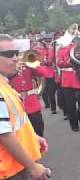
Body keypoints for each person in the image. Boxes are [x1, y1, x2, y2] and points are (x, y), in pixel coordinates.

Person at [0, 34, 50, 180]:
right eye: (9, 54)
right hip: (9, 170)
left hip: (16, 165)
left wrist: (32, 137)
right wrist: (32, 166)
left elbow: (14, 123)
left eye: (17, 53)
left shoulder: (4, 83)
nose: (16, 58)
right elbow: (4, 134)